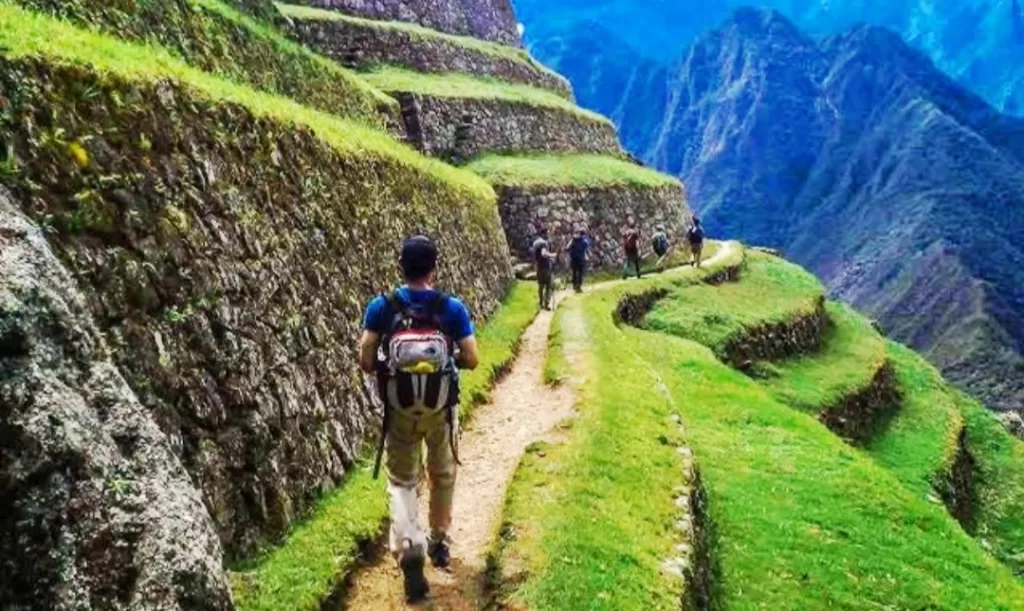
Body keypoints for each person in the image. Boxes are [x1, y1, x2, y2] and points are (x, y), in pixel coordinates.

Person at [359, 235, 480, 603]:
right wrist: (446, 365)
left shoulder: (382, 306)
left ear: (401, 266)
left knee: (402, 480)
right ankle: (438, 541)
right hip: (439, 409)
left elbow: (365, 357)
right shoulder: (451, 308)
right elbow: (472, 358)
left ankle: (409, 547)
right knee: (442, 473)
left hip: (399, 410)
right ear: (434, 268)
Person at [532, 229, 556, 310]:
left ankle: (540, 302)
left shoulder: (535, 243)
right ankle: (546, 303)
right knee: (548, 285)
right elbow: (543, 254)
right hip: (545, 267)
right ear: (544, 234)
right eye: (547, 233)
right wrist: (552, 255)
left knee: (540, 286)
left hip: (538, 266)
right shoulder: (544, 243)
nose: (548, 235)